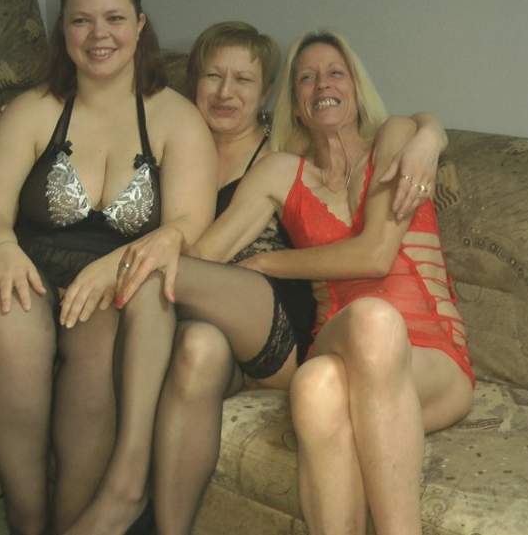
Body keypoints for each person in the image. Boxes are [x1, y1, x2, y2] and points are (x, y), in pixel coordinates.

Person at [116, 30, 473, 535]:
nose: (321, 84)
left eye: (335, 73)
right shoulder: (281, 172)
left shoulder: (395, 138)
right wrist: (160, 241)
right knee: (325, 369)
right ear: (295, 105)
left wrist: (269, 263)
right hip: (337, 340)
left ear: (356, 88)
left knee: (337, 363)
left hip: (430, 356)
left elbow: (375, 255)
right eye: (306, 78)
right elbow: (201, 259)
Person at [0, 0, 217, 535]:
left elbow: (188, 225)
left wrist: (114, 266)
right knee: (9, 309)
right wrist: (0, 247)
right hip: (22, 266)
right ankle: (26, 515)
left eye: (114, 18)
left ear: (140, 25)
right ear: (63, 30)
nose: (99, 35)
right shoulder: (33, 110)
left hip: (113, 284)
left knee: (102, 342)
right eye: (81, 20)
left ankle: (73, 521)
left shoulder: (176, 118)